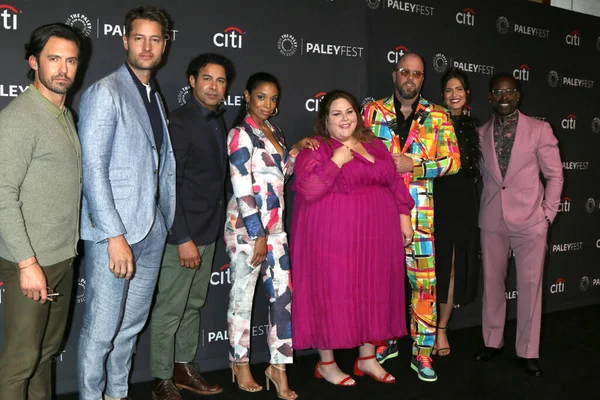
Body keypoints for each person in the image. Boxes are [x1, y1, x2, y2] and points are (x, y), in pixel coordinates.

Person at [76, 6, 176, 399]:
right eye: (139, 38)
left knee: (130, 328)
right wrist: (114, 234)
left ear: (164, 45)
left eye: (155, 39)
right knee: (101, 330)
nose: (147, 46)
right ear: (125, 41)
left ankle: (116, 394)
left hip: (151, 230)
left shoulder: (154, 95)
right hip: (114, 233)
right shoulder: (106, 92)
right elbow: (93, 169)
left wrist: (164, 222)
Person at [291, 90, 415, 387]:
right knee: (330, 292)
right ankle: (327, 363)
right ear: (325, 119)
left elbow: (393, 181)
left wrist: (404, 216)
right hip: (332, 239)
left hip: (378, 236)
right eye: (337, 113)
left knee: (373, 290)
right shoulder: (316, 147)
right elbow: (309, 189)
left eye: (349, 111)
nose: (345, 118)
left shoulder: (374, 143)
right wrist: (336, 159)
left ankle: (367, 357)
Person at [362, 52, 460, 382]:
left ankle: (423, 353)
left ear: (423, 79)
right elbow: (355, 152)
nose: (410, 78)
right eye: (405, 71)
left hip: (422, 218)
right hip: (380, 215)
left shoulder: (439, 115)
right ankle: (385, 340)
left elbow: (453, 162)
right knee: (381, 283)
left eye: (417, 74)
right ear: (395, 75)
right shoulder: (372, 111)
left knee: (424, 288)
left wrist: (416, 166)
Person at [0, 23, 81, 400]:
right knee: (21, 360)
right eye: (53, 59)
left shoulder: (64, 114)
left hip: (61, 258)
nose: (62, 69)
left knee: (46, 354)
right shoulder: (19, 118)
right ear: (34, 62)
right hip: (31, 262)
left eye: (70, 60)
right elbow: (2, 194)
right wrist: (27, 263)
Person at [225, 72, 317, 400]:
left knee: (283, 300)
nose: (267, 103)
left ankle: (278, 367)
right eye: (261, 96)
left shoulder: (273, 131)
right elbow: (241, 186)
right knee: (242, 298)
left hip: (276, 230)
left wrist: (293, 151)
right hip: (247, 231)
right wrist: (257, 234)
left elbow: (278, 178)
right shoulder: (240, 133)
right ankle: (240, 363)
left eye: (273, 98)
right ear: (247, 96)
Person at [149, 53, 235, 400]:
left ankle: (183, 367)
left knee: (193, 304)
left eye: (220, 81)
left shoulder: (218, 121)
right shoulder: (181, 122)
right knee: (171, 308)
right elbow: (169, 186)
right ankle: (159, 378)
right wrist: (181, 237)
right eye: (207, 79)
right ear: (192, 81)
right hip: (182, 235)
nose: (214, 86)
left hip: (208, 230)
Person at [474, 73, 563, 377]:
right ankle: (492, 342)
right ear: (490, 97)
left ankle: (527, 351)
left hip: (530, 221)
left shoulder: (539, 130)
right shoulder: (481, 133)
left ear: (518, 95)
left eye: (509, 91)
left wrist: (547, 214)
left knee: (529, 287)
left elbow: (555, 175)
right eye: (498, 92)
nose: (504, 96)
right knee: (492, 284)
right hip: (492, 219)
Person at [433, 68, 482, 356]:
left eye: (459, 89)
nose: (454, 94)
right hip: (434, 201)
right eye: (449, 90)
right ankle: (422, 329)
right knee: (430, 268)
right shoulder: (430, 124)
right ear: (442, 96)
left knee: (451, 268)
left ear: (467, 94)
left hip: (463, 202)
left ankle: (442, 330)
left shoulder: (477, 128)